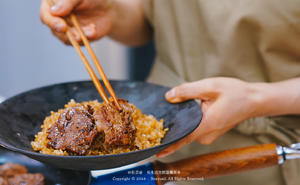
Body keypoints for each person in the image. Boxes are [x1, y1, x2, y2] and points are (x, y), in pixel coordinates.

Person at [40, 0, 300, 184]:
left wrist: (257, 99)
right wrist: (111, 12)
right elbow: (154, 17)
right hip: (163, 143)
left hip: (270, 154)